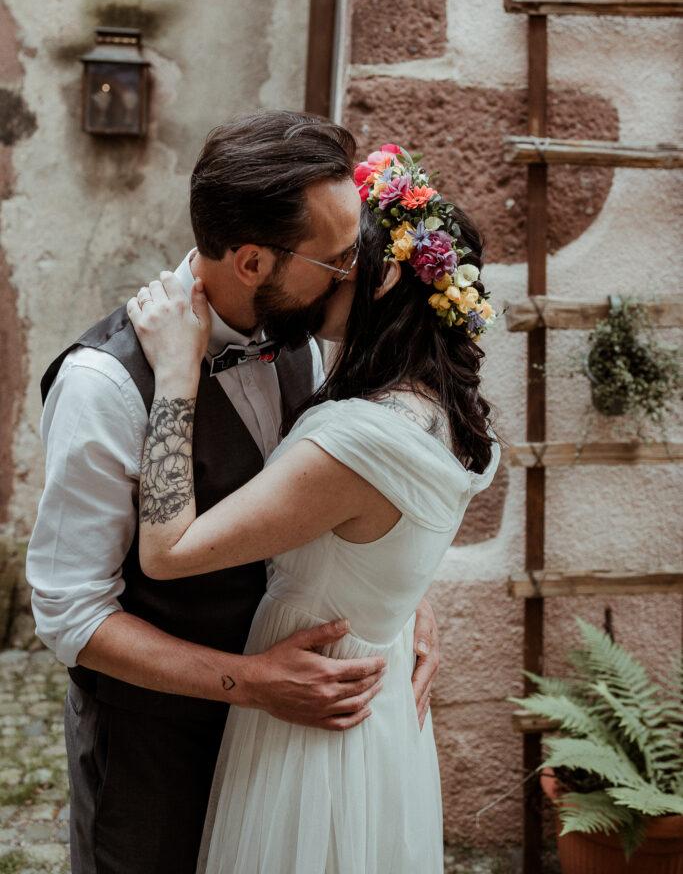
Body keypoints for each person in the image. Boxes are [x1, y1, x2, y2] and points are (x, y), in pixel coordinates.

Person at [27, 113, 440, 874]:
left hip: (288, 749)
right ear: (252, 261)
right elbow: (70, 611)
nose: (357, 271)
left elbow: (337, 498)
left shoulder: (310, 335)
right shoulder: (104, 385)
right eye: (338, 257)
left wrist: (408, 606)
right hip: (159, 748)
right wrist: (251, 684)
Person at [127, 142, 500, 874]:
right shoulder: (447, 414)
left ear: (381, 281)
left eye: (338, 270)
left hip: (313, 713)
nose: (318, 284)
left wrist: (177, 374)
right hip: (376, 695)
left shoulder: (355, 439)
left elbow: (166, 552)